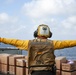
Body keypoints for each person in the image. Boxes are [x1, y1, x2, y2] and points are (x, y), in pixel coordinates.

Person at [0, 24, 76, 75]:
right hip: (49, 72)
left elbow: (14, 41)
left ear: (36, 33)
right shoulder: (53, 43)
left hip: (35, 72)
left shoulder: (29, 43)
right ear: (49, 34)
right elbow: (68, 43)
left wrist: (1, 39)